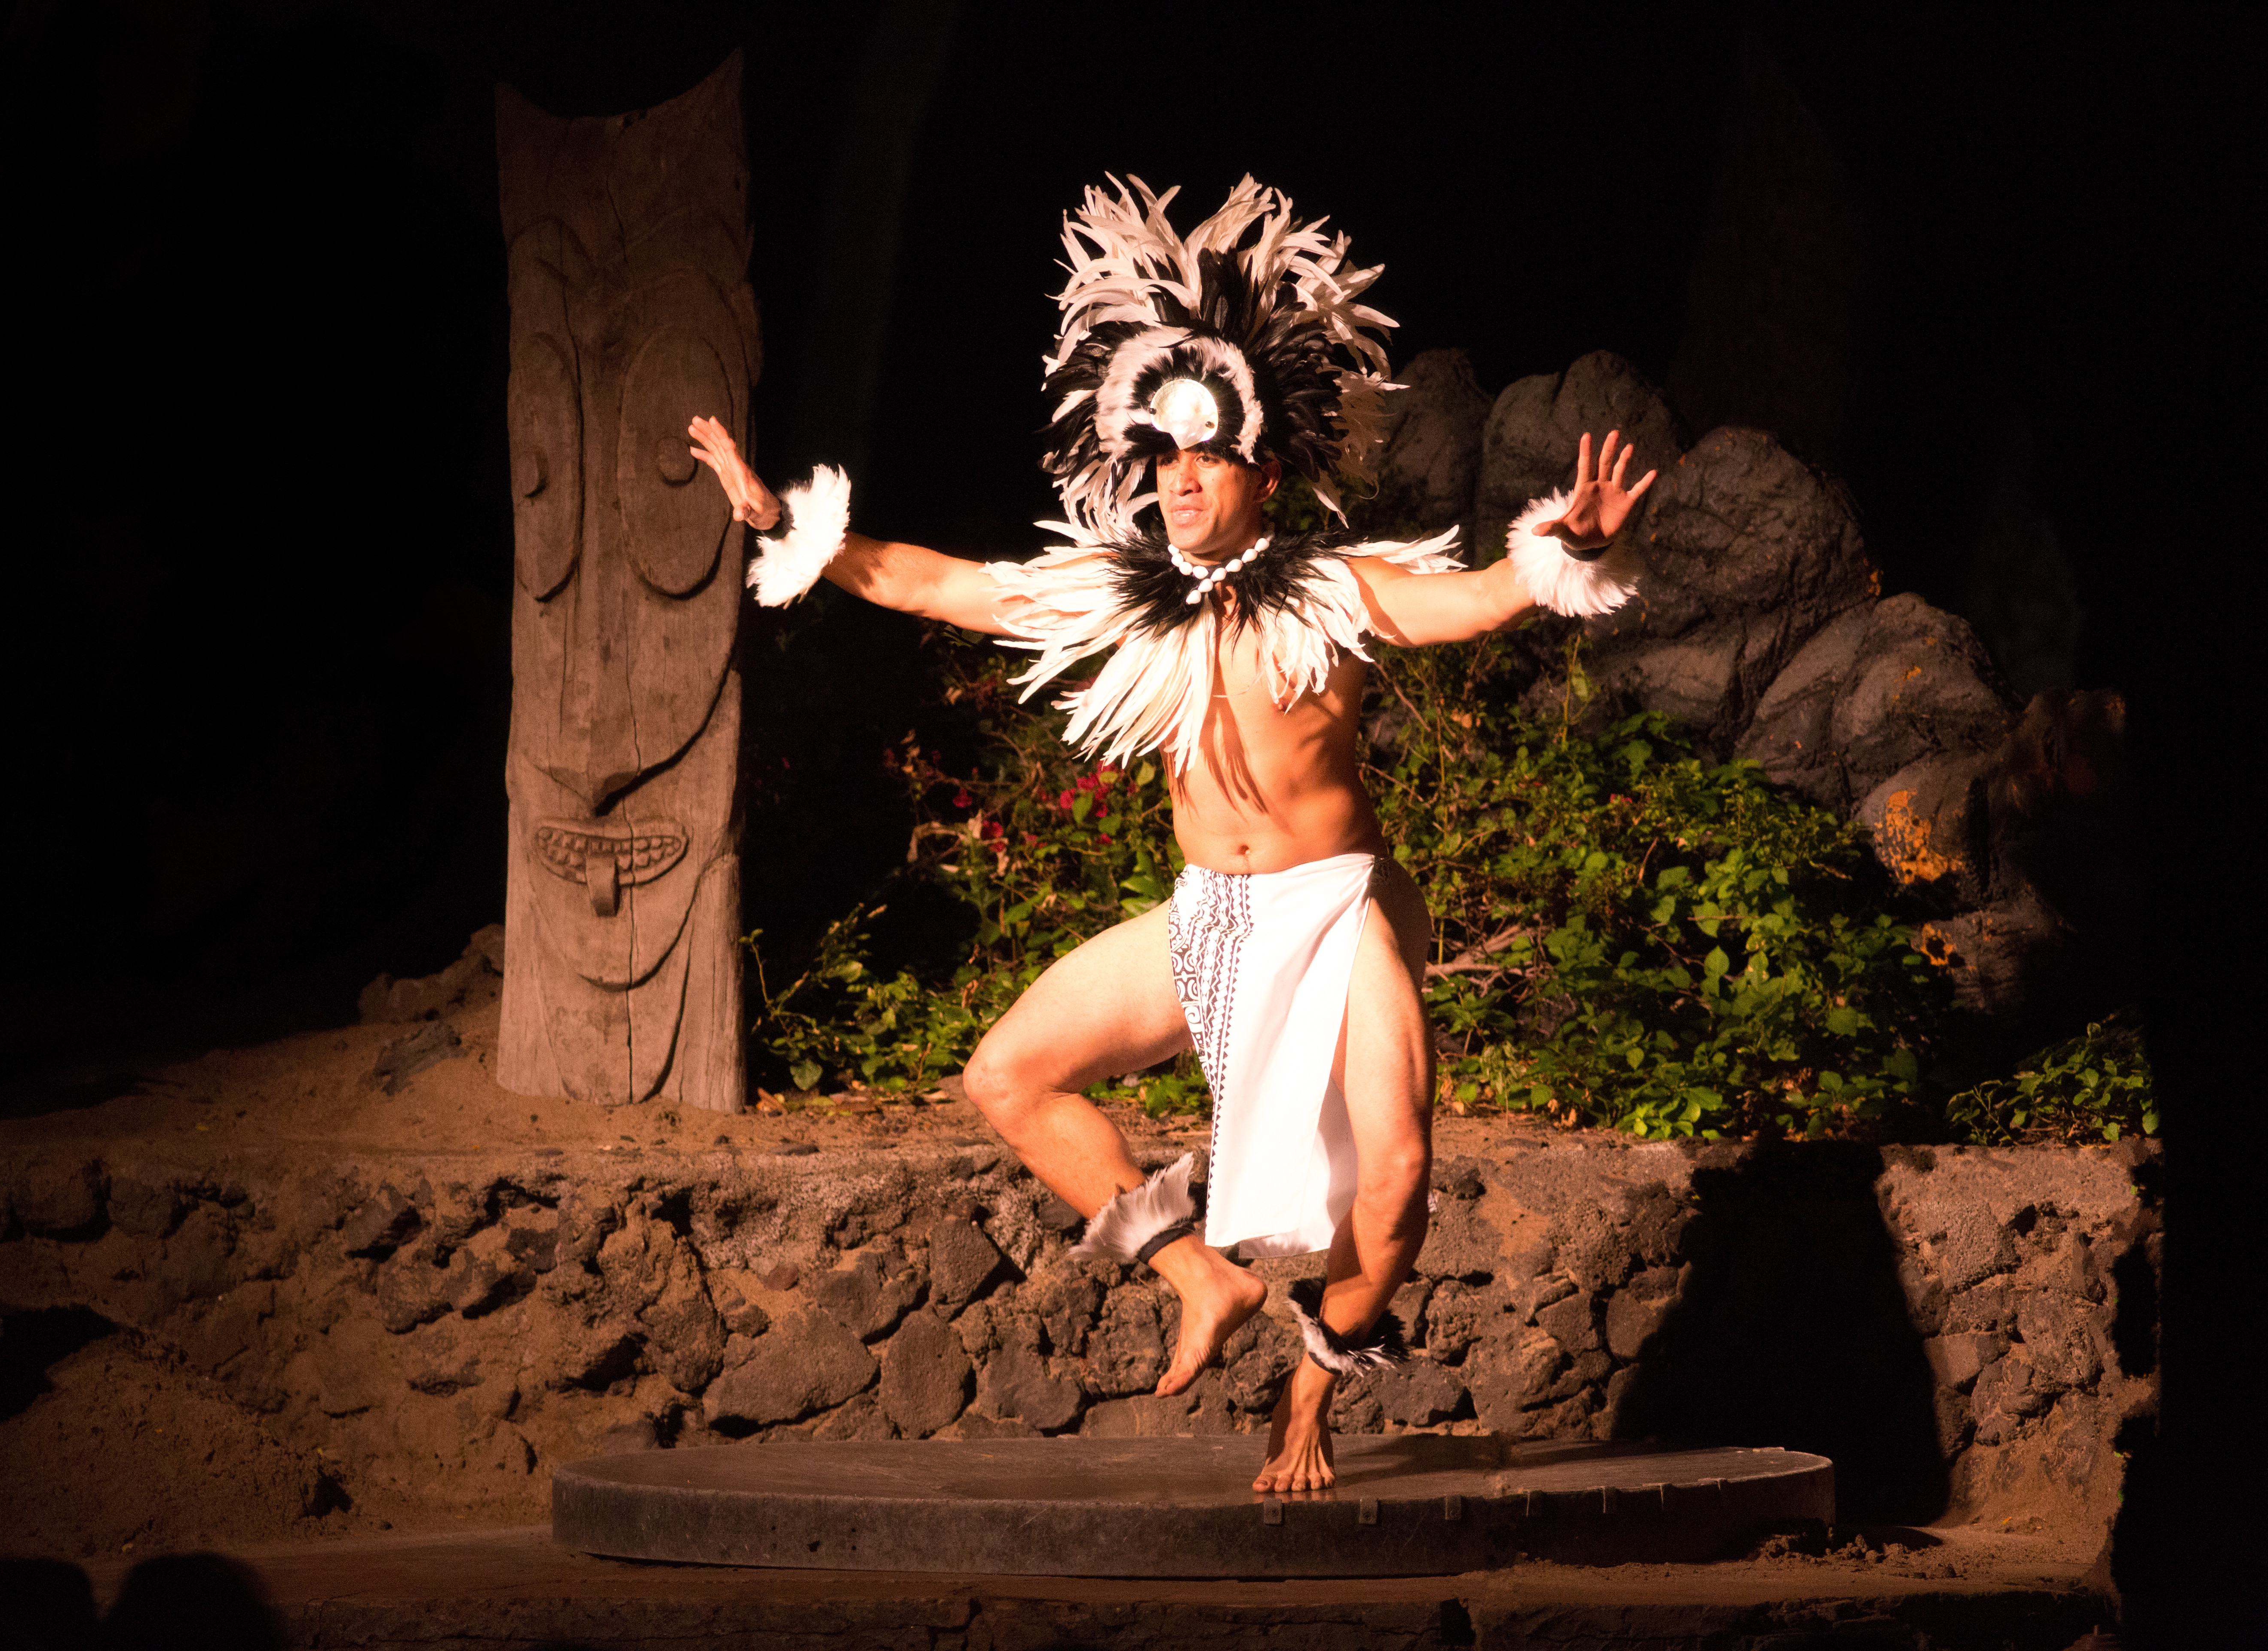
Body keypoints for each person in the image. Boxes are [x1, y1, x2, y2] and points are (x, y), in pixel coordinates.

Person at [688, 175, 1653, 1491]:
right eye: (1161, 456)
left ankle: (1313, 1395)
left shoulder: (1339, 591)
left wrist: (1559, 552)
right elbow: (938, 584)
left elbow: (1483, 598)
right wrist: (778, 523)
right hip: (1212, 921)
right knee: (1008, 1078)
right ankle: (1202, 1279)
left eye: (1205, 456)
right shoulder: (1115, 595)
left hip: (1333, 912)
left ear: (1261, 466)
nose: (1178, 477)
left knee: (1402, 1169)